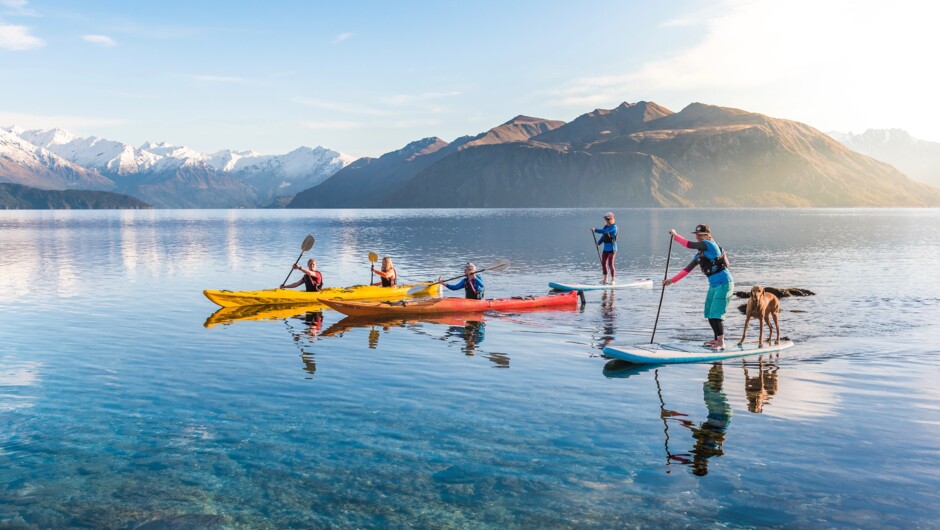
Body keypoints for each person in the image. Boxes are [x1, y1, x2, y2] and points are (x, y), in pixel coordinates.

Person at [662, 224, 734, 350]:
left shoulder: (709, 244)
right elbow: (687, 270)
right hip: (714, 285)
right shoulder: (700, 254)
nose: (697, 236)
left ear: (707, 235)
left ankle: (721, 343)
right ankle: (716, 339)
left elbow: (688, 244)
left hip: (724, 283)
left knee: (716, 314)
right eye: (696, 234)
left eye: (700, 234)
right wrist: (671, 281)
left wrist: (675, 235)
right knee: (709, 313)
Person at [591, 212, 618, 284]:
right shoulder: (606, 226)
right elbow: (604, 236)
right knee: (603, 263)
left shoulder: (613, 227)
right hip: (606, 249)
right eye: (606, 219)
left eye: (608, 219)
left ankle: (613, 280)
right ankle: (605, 279)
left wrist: (595, 230)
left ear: (612, 219)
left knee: (610, 264)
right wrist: (598, 243)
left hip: (612, 249)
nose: (607, 220)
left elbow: (605, 232)